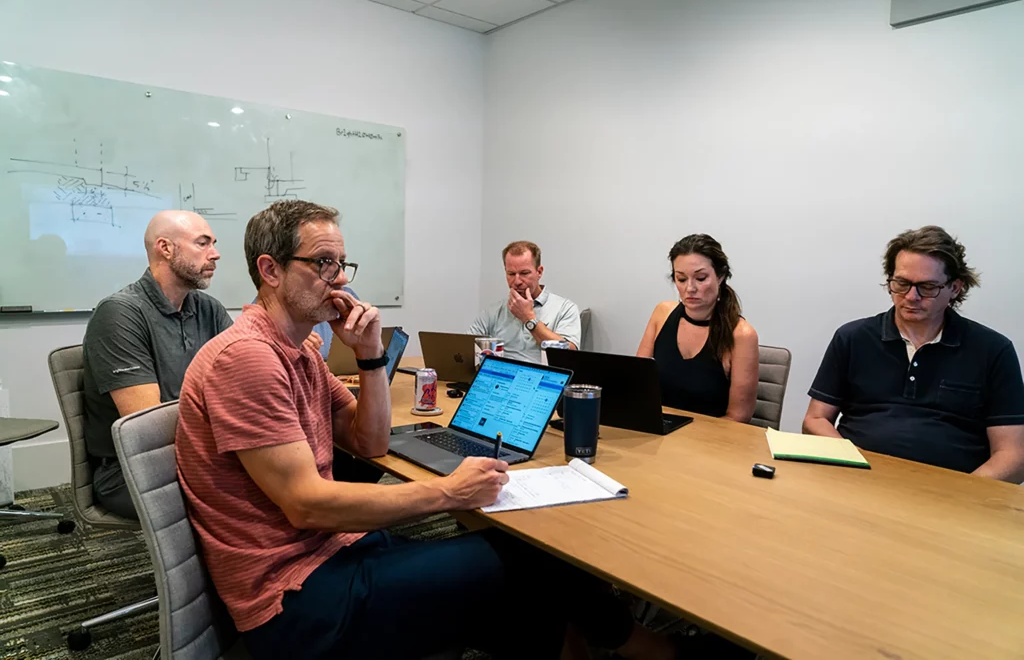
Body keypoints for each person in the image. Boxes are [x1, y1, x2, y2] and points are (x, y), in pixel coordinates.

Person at [176, 200, 675, 660]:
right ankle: (644, 647)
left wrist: (371, 357)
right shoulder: (248, 358)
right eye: (323, 264)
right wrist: (449, 493)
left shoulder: (301, 350)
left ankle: (595, 643)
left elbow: (369, 443)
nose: (340, 282)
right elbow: (306, 504)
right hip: (297, 599)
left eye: (342, 266)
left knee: (530, 563)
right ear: (270, 270)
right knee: (534, 565)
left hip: (335, 551)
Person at [803, 226, 1024, 481]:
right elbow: (815, 419)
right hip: (857, 479)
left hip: (950, 492)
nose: (911, 296)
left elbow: (1014, 455)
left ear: (955, 287)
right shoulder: (853, 337)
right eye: (902, 283)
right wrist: (851, 459)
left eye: (927, 287)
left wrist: (964, 494)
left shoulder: (993, 350)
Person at [82, 210, 231, 519]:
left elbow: (246, 377)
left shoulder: (208, 309)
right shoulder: (119, 314)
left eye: (213, 243)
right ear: (166, 248)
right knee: (261, 492)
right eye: (203, 243)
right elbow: (148, 425)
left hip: (201, 453)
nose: (215, 254)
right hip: (133, 472)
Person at [637, 234, 759, 421]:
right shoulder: (662, 313)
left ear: (720, 277)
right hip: (658, 433)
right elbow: (637, 384)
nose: (690, 288)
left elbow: (738, 417)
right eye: (681, 279)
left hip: (711, 441)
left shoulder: (742, 335)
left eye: (701, 278)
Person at [469, 240, 581, 363]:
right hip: (502, 377)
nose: (517, 281)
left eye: (524, 273)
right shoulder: (493, 312)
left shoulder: (565, 308)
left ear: (539, 272)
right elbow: (466, 348)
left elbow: (569, 356)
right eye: (511, 274)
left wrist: (528, 319)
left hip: (544, 378)